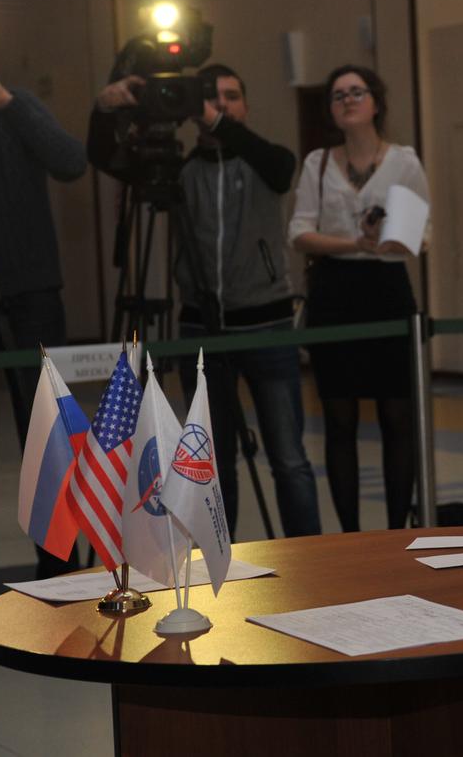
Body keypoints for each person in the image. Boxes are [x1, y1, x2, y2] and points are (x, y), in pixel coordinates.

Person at [88, 63, 322, 539]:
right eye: (210, 97)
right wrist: (103, 112)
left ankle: (309, 554)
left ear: (245, 106)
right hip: (202, 328)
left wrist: (214, 119)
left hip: (267, 325)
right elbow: (103, 157)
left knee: (289, 458)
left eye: (231, 97)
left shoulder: (261, 160)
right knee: (213, 462)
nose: (221, 105)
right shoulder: (180, 169)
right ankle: (220, 557)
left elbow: (281, 169)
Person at [288, 64, 429, 533]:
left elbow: (422, 235)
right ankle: (348, 534)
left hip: (387, 291)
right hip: (333, 293)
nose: (347, 100)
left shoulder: (404, 161)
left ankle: (394, 531)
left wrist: (387, 237)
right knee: (339, 419)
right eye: (337, 95)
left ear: (375, 102)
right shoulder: (318, 163)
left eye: (356, 91)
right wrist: (354, 243)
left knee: (397, 417)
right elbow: (300, 232)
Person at [0, 54, 86, 609]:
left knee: (48, 445)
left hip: (32, 301)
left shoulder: (11, 105)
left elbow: (70, 161)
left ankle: (62, 579)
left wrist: (6, 102)